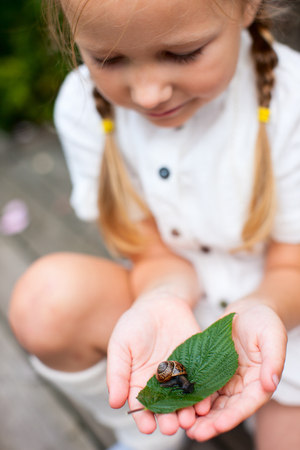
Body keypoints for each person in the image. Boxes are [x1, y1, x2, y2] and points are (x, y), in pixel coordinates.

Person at [8, 0, 300, 448]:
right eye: (107, 59)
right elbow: (152, 253)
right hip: (172, 302)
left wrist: (261, 312)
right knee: (45, 302)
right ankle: (145, 432)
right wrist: (160, 296)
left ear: (247, 7)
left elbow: (292, 269)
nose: (147, 94)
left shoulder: (291, 101)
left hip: (279, 318)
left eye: (183, 54)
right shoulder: (84, 107)